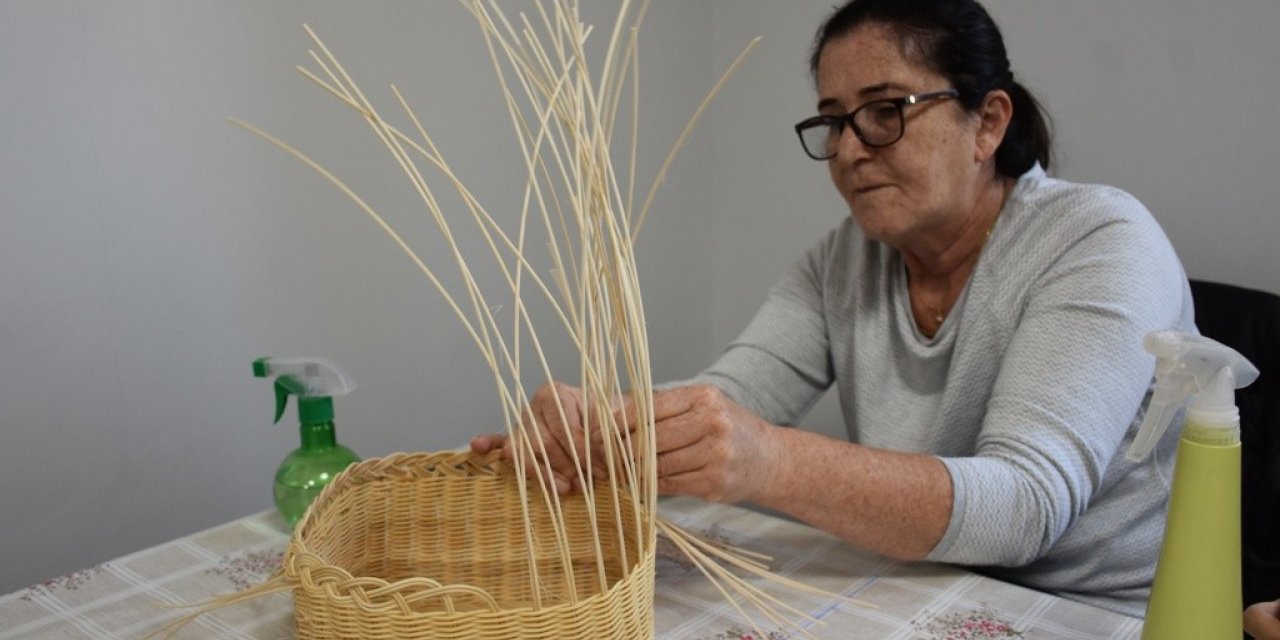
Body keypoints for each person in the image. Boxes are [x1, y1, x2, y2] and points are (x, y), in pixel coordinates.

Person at [473, 0, 1193, 618]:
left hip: (1100, 616)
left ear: (988, 124)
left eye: (886, 111)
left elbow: (1025, 506)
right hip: (922, 587)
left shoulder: (1100, 241)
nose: (850, 149)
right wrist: (600, 423)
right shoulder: (843, 261)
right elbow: (730, 401)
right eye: (833, 122)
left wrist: (767, 460)